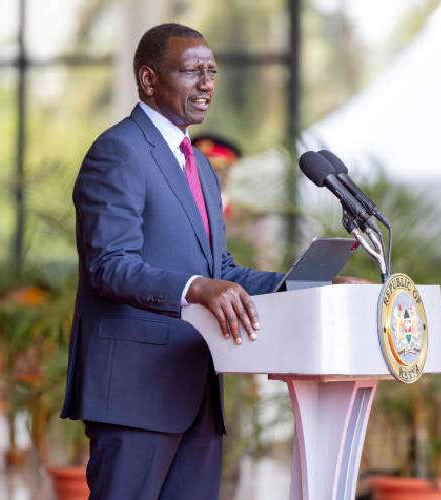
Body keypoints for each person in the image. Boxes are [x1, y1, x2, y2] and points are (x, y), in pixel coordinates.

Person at [60, 24, 285, 499]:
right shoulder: (118, 151)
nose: (206, 84)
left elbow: (222, 272)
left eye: (212, 72)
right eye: (191, 71)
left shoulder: (199, 166)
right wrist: (196, 287)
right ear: (148, 79)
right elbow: (109, 265)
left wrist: (307, 286)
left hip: (196, 390)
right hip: (134, 393)